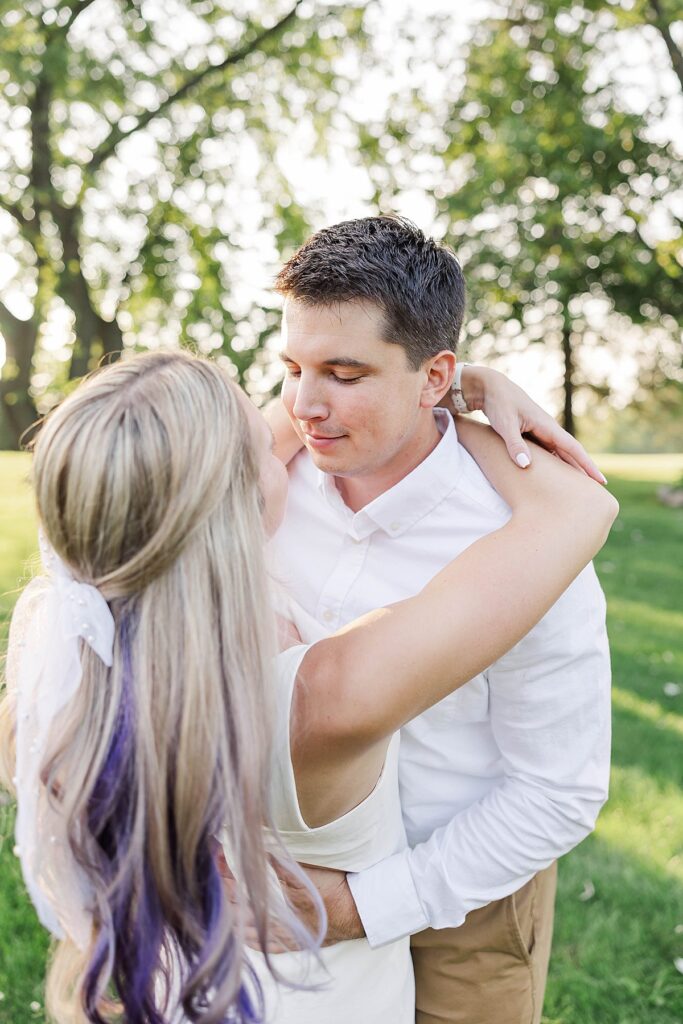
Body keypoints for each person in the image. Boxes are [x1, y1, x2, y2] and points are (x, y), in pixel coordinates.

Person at [0, 349, 616, 1024]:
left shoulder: (58, 681)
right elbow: (578, 508)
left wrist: (426, 384)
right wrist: (453, 396)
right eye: (266, 442)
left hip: (188, 983)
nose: (290, 425)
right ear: (229, 505)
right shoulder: (325, 692)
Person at [265, 215, 615, 1024]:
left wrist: (368, 904)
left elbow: (556, 791)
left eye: (345, 374)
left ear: (434, 378)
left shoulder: (527, 539)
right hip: (282, 878)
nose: (307, 404)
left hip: (464, 898)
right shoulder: (263, 481)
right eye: (291, 366)